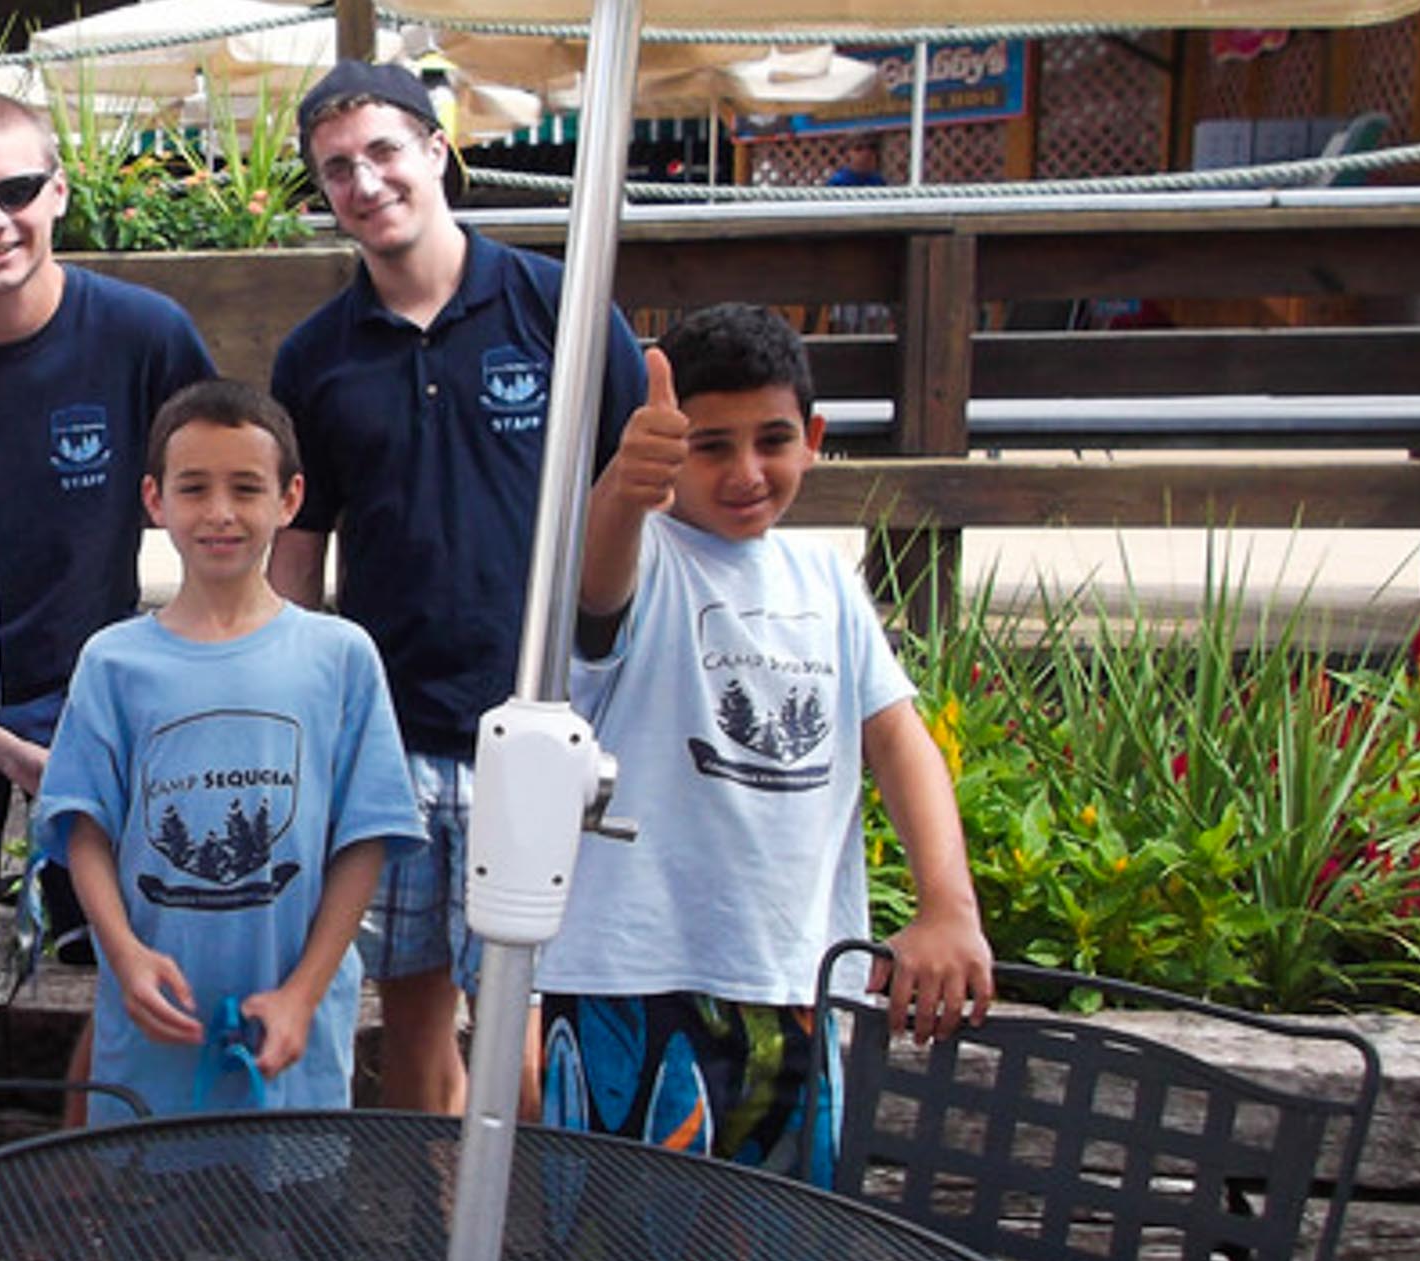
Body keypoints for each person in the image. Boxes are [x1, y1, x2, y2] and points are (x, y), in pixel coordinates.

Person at [538, 301, 992, 1181]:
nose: (745, 471)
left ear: (815, 437)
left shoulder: (825, 578)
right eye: (711, 446)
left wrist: (949, 904)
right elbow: (593, 590)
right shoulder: (638, 553)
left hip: (796, 983)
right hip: (628, 983)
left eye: (772, 440)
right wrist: (624, 488)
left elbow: (899, 741)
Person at [269, 60, 647, 1115]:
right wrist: (298, 709)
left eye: (385, 151)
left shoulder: (557, 308)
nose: (365, 181)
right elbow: (299, 545)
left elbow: (638, 493)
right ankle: (441, 1253)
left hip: (537, 718)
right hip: (394, 729)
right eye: (337, 168)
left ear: (438, 151)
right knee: (416, 1021)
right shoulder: (316, 356)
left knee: (524, 1029)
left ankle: (520, 1248)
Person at [35, 379, 421, 1122]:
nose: (219, 513)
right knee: (151, 1231)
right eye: (194, 488)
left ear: (290, 497)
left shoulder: (340, 656)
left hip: (291, 1046)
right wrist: (125, 956)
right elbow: (83, 830)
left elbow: (366, 837)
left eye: (246, 488)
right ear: (154, 500)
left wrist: (302, 995)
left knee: (286, 1232)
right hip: (153, 1043)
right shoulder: (113, 662)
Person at [0, 91, 215, 980]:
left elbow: (221, 494)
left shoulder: (144, 333)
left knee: (114, 956)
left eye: (16, 190)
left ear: (59, 193)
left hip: (94, 689)